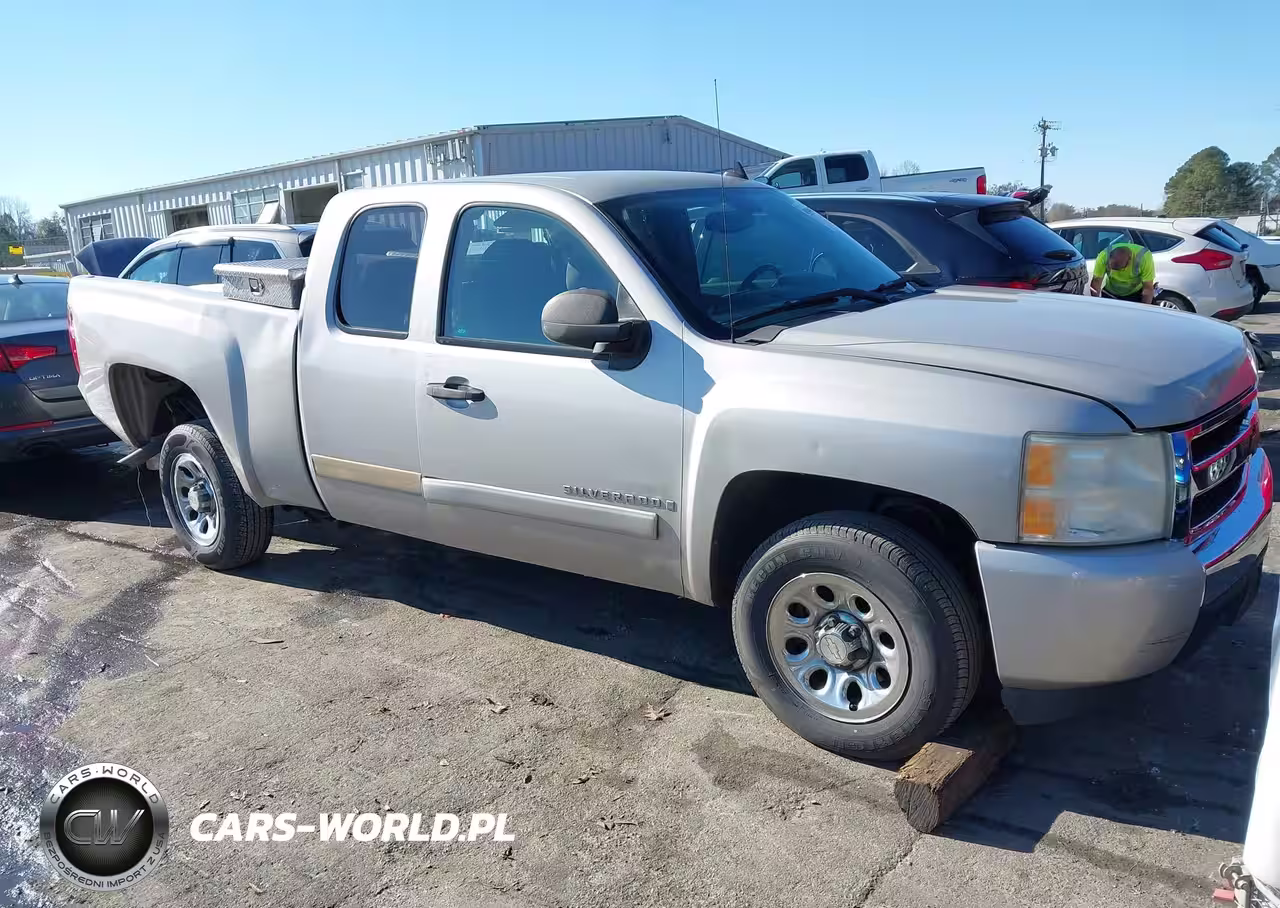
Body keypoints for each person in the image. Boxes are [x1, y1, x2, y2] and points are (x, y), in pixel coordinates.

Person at [1089, 242, 1156, 304]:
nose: (1117, 272)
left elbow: (1148, 288)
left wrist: (1144, 310)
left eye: (1121, 269)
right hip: (1110, 293)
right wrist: (1096, 302)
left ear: (1130, 260)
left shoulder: (1144, 258)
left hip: (1134, 294)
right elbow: (1096, 281)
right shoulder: (1103, 256)